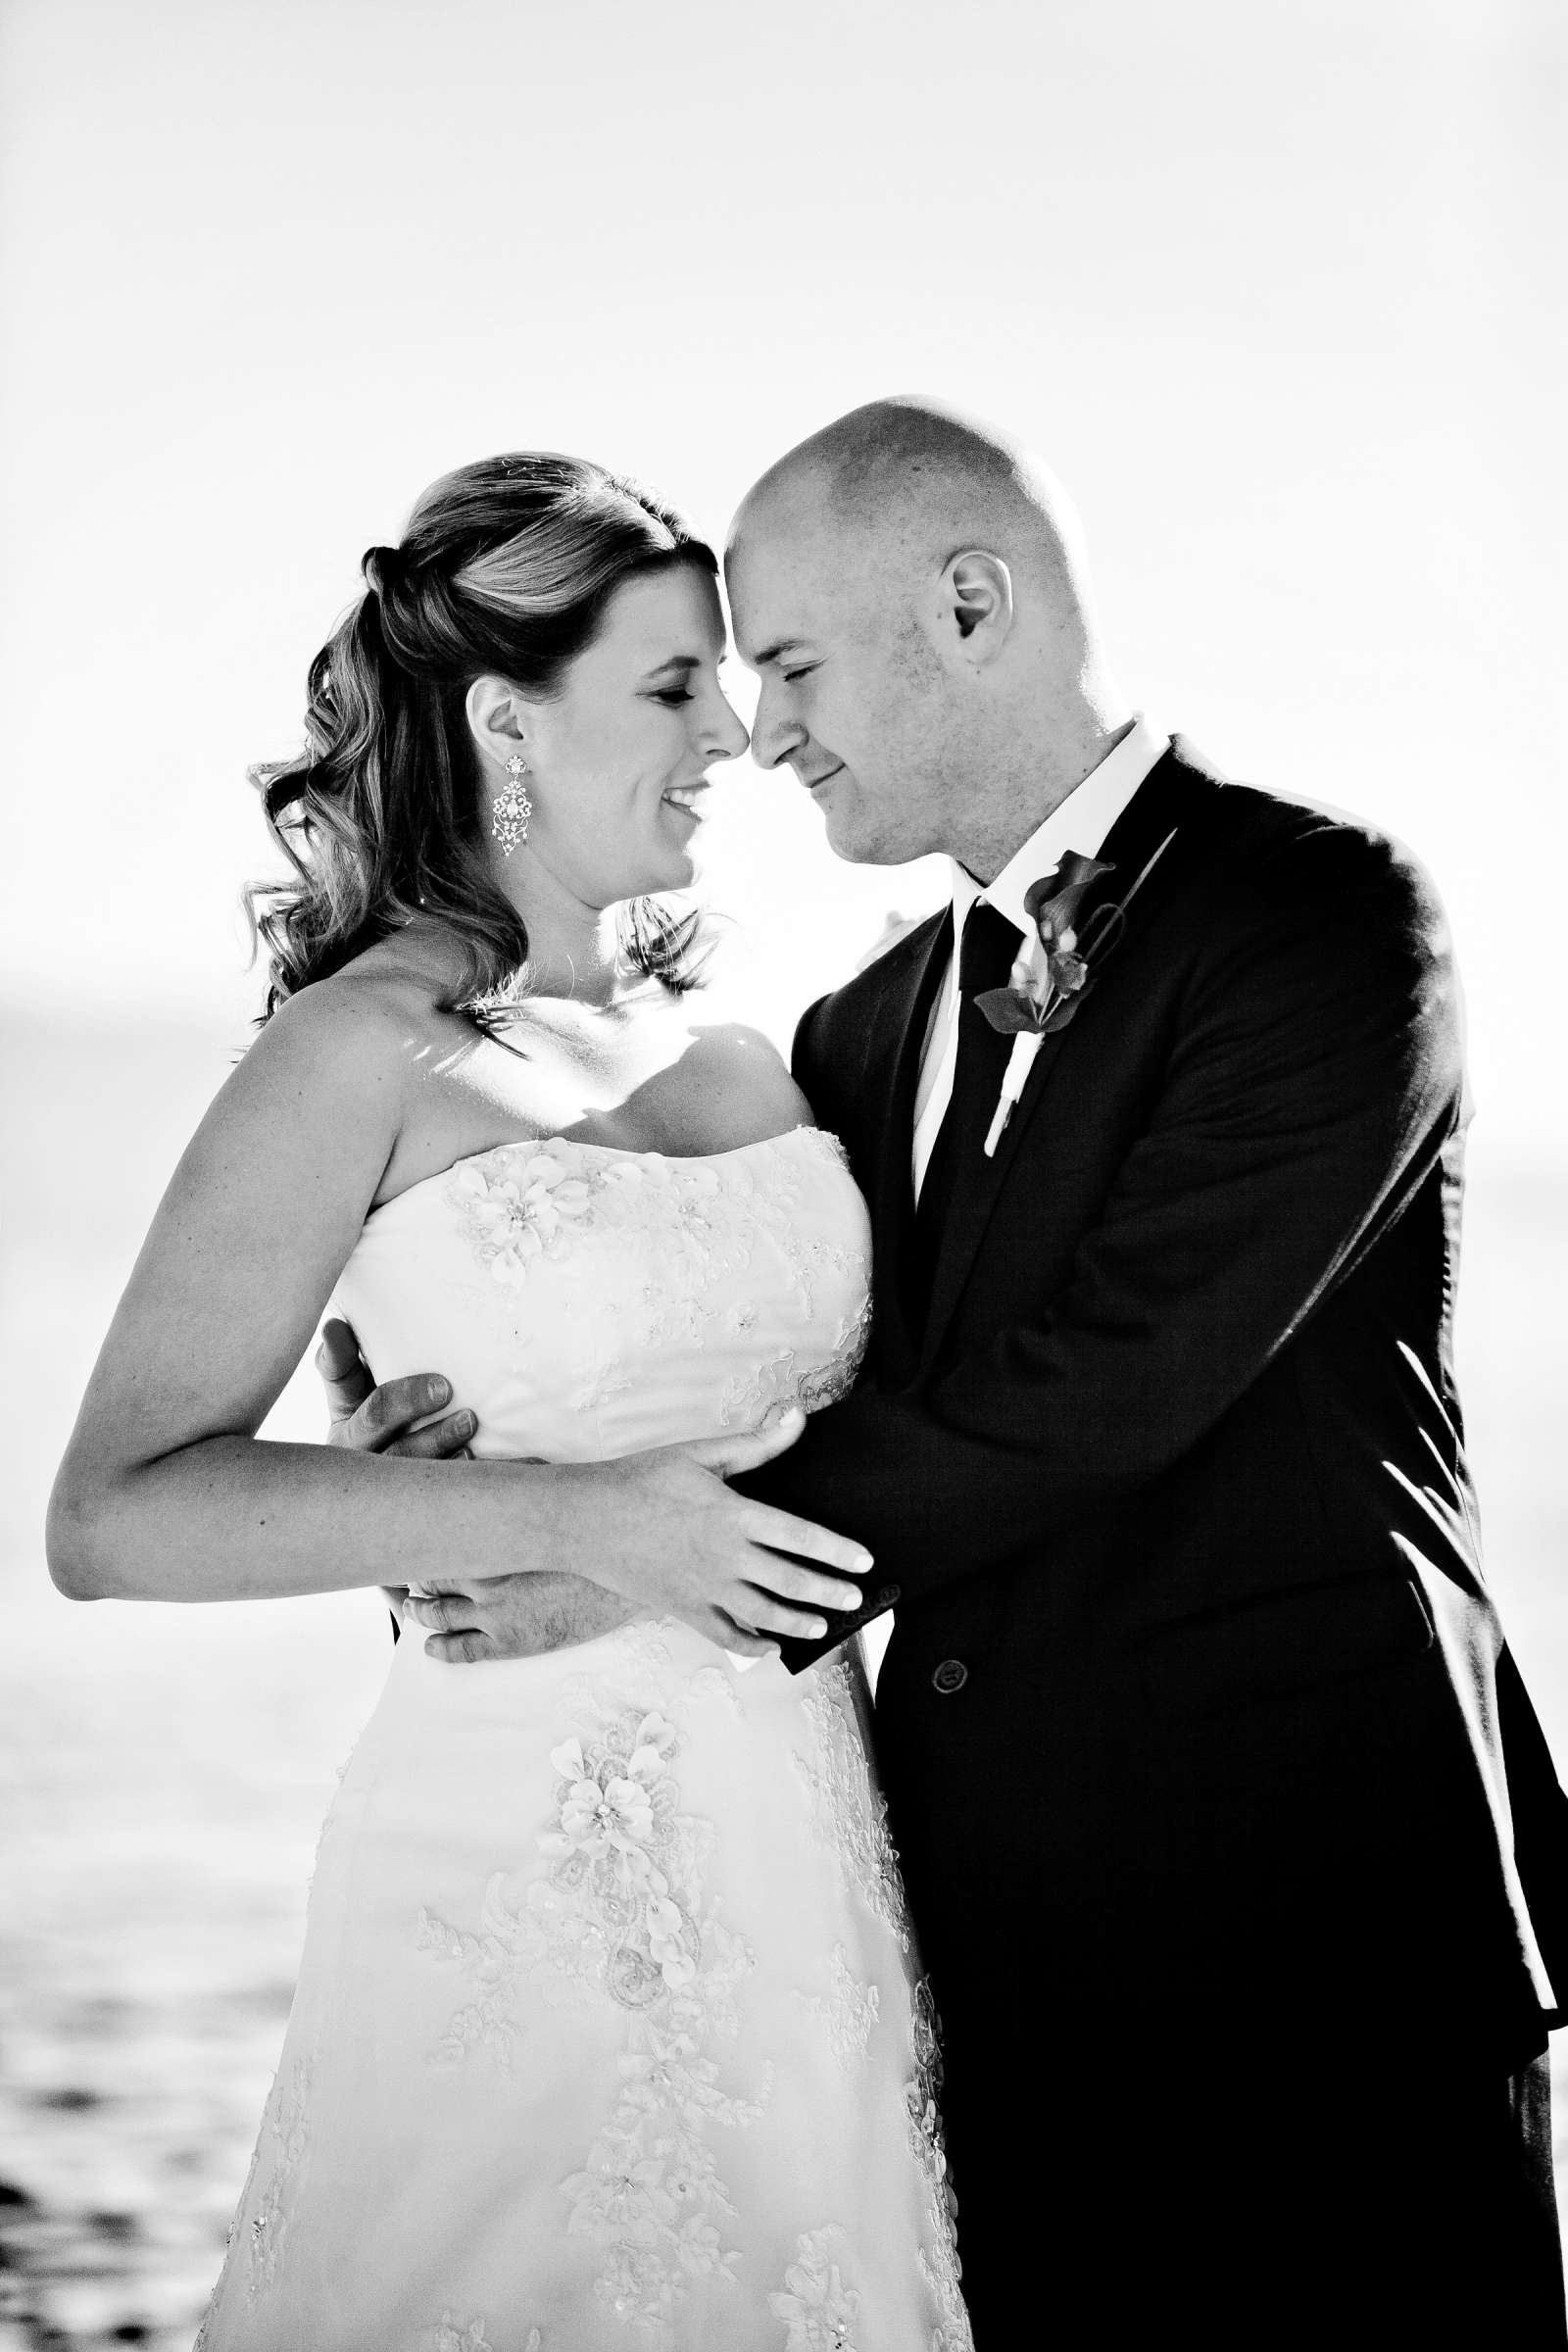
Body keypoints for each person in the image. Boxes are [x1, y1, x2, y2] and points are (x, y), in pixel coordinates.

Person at [342, 401, 1568, 2348]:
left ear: (971, 602)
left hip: (1326, 1947)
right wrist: (475, 1464)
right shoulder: (855, 1029)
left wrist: (655, 1560)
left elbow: (1115, 1380)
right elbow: (776, 1382)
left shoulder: (1316, 923)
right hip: (979, 1966)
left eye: (796, 665)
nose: (757, 733)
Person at [46, 453, 973, 2351]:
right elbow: (116, 1511)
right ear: (500, 722)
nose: (730, 730)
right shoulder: (352, 1056)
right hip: (514, 1855)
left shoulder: (743, 1055)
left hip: (803, 1845)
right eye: (669, 688)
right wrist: (563, 1522)